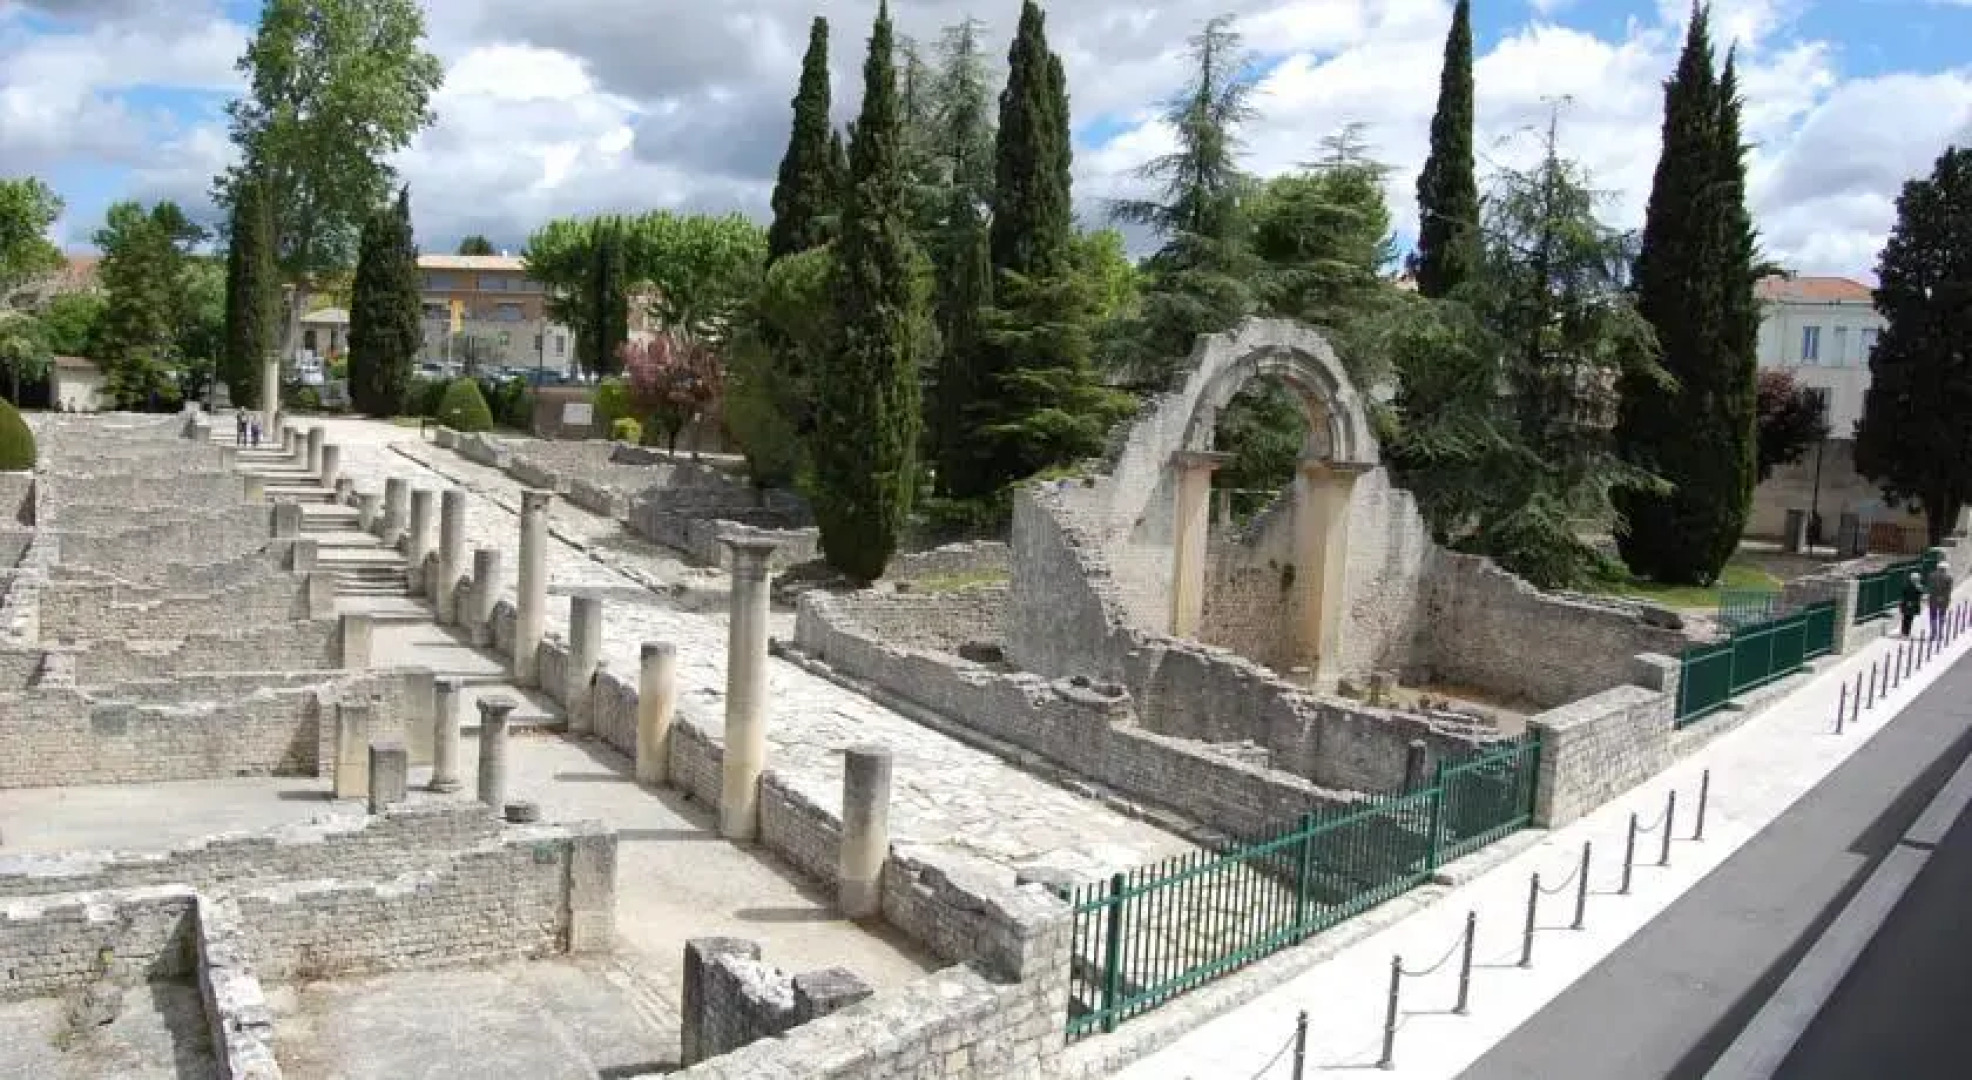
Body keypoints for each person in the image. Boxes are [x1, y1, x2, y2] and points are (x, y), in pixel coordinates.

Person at [1926, 560, 1954, 638]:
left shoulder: (1931, 576)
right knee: (1942, 615)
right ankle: (1940, 633)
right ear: (1945, 569)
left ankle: (1933, 633)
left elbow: (1930, 588)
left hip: (1933, 598)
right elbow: (1948, 590)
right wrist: (1942, 597)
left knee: (1933, 615)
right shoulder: (1949, 578)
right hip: (1944, 599)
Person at [1899, 571, 1925, 638]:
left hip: (1909, 604)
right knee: (1908, 618)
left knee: (1907, 618)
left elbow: (1920, 594)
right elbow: (1908, 595)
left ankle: (1905, 632)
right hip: (1910, 604)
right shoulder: (1912, 586)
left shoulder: (1914, 586)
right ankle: (1905, 632)